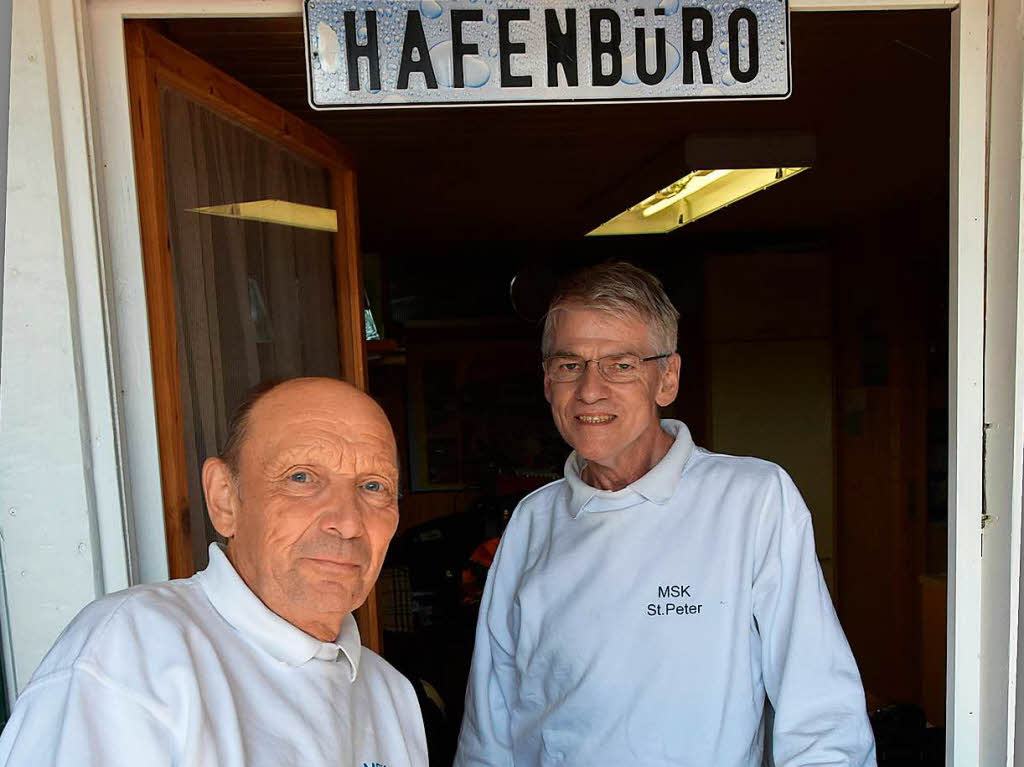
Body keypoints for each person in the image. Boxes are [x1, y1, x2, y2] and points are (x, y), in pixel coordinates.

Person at [454, 262, 876, 767]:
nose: (590, 390)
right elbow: (492, 716)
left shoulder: (751, 499)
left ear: (667, 378)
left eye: (621, 364)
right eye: (570, 365)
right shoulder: (532, 521)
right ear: (547, 382)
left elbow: (821, 709)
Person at [0, 378, 428, 767]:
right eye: (302, 478)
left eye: (374, 487)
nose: (348, 523)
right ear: (225, 499)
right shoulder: (131, 654)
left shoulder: (390, 693)